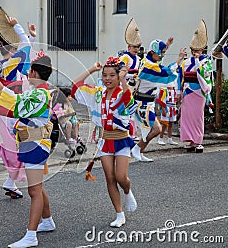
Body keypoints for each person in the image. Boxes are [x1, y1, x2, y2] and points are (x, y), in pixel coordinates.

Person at [0, 53, 55, 248]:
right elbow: (15, 98)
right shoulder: (37, 90)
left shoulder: (40, 93)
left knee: (33, 190)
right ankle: (47, 221)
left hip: (36, 144)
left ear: (33, 71)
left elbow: (15, 104)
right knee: (37, 187)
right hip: (30, 143)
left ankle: (31, 235)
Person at [72, 57, 137, 228]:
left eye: (112, 75)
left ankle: (128, 191)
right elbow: (75, 87)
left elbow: (128, 95)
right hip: (104, 140)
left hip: (121, 139)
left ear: (118, 76)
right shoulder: (98, 93)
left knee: (121, 177)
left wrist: (123, 78)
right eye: (105, 75)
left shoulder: (122, 92)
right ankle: (119, 213)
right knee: (110, 178)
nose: (108, 79)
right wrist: (92, 69)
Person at [0, 8, 37, 198]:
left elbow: (25, 49)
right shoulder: (16, 60)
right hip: (14, 107)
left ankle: (10, 182)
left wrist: (30, 38)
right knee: (22, 144)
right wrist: (17, 26)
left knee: (19, 143)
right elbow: (24, 47)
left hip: (5, 106)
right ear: (12, 48)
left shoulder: (3, 63)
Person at [130, 39, 186, 162]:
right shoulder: (149, 67)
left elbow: (159, 65)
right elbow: (164, 73)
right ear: (153, 52)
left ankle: (139, 150)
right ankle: (137, 148)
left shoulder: (148, 61)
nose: (163, 55)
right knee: (157, 129)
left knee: (153, 129)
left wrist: (167, 45)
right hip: (142, 103)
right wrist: (179, 59)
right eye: (162, 52)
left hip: (147, 102)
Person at [177, 20, 213, 153]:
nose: (194, 52)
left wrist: (198, 62)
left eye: (197, 50)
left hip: (199, 91)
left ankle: (198, 141)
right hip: (187, 91)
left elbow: (205, 76)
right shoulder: (185, 62)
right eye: (193, 50)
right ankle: (189, 141)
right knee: (186, 116)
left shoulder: (206, 61)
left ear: (202, 49)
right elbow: (180, 76)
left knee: (197, 117)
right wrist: (178, 92)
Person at [119, 18, 142, 142]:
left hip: (134, 86)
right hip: (125, 85)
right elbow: (120, 73)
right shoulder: (125, 57)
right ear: (129, 47)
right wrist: (130, 76)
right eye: (134, 47)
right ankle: (125, 132)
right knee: (125, 109)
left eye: (138, 47)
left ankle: (132, 132)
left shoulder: (138, 59)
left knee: (132, 110)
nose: (136, 49)